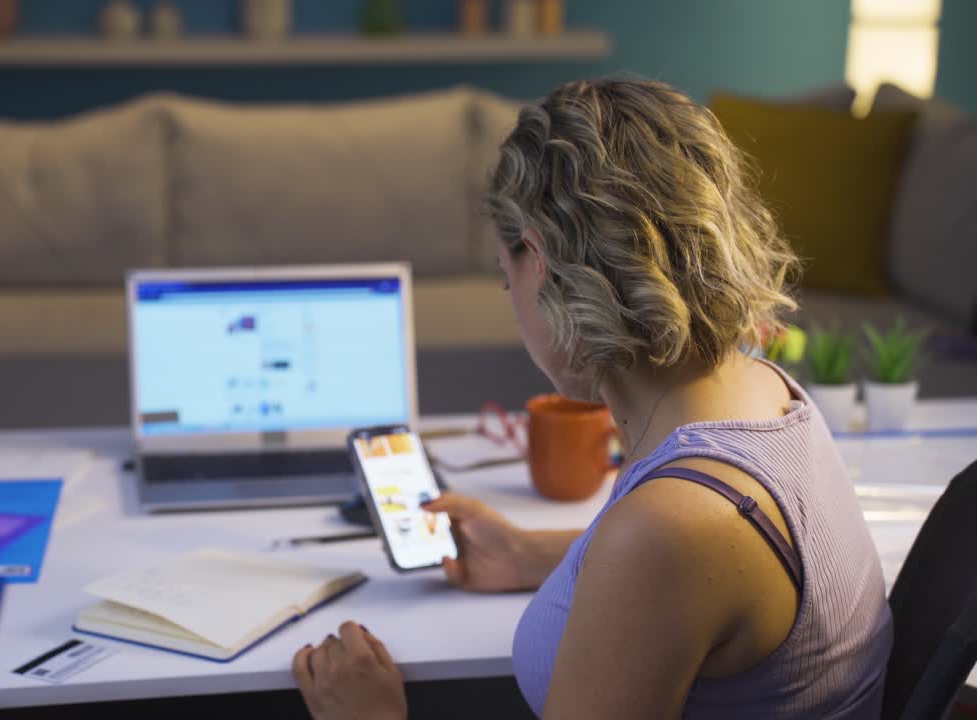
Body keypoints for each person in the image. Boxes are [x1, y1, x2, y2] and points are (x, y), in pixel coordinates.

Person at [291, 77, 891, 719]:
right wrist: (530, 553)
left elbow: (675, 547)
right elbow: (700, 568)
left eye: (506, 277)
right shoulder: (760, 389)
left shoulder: (669, 530)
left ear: (541, 260)